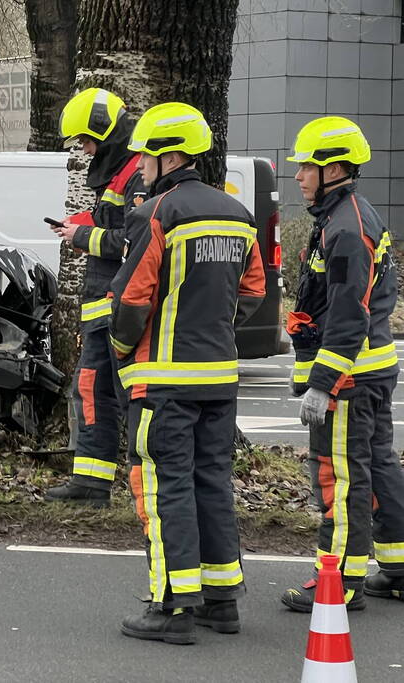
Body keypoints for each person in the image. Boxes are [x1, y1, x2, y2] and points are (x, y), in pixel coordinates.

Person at [109, 102, 266, 644]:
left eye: (145, 159)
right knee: (211, 483)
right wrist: (214, 326)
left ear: (168, 156)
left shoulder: (156, 214)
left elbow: (130, 300)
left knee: (164, 486)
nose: (140, 169)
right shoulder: (238, 214)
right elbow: (254, 292)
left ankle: (171, 607)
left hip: (164, 381)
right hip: (219, 377)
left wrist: (123, 347)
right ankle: (221, 602)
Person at [280, 116, 404, 612]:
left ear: (333, 170)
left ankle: (340, 581)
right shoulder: (348, 215)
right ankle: (397, 566)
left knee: (341, 474)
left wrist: (323, 384)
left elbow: (349, 314)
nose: (298, 176)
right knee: (378, 465)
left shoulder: (347, 227)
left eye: (306, 167)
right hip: (368, 369)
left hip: (350, 377)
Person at [45, 88, 146, 507]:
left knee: (130, 399)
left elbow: (135, 242)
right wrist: (79, 225)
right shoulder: (120, 173)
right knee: (91, 390)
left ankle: (145, 487)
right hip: (103, 309)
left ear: (106, 133)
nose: (85, 151)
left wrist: (82, 235)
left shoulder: (138, 175)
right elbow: (114, 224)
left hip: (121, 310)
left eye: (87, 141)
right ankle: (90, 483)